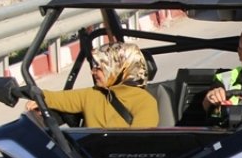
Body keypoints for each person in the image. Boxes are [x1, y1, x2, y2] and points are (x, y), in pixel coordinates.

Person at [27, 42, 158, 128]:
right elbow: (58, 98)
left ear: (119, 68)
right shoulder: (94, 94)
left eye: (99, 68)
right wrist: (39, 97)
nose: (92, 71)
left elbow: (139, 142)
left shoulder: (145, 102)